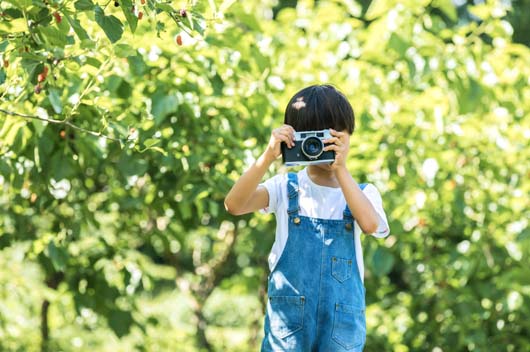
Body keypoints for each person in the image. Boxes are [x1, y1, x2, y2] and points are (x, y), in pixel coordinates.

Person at [224, 84, 390, 351]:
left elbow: (370, 225)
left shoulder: (363, 193)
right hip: (287, 330)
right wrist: (268, 155)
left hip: (341, 330)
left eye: (331, 135)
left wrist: (342, 169)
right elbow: (234, 204)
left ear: (348, 135)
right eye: (314, 136)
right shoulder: (285, 188)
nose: (321, 144)